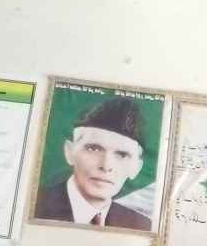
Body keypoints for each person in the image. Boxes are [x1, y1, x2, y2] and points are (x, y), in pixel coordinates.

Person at [35, 96, 151, 231]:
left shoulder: (141, 226)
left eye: (122, 155)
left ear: (136, 168)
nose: (106, 166)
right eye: (93, 149)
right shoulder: (34, 206)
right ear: (69, 152)